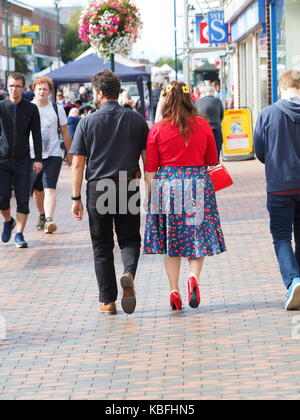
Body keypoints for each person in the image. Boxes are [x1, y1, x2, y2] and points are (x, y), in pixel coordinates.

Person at [70, 70, 149, 316]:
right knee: (129, 238)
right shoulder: (136, 120)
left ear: (100, 93)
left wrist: (76, 197)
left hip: (98, 186)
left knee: (102, 246)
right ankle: (128, 272)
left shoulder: (87, 122)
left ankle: (108, 300)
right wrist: (149, 189)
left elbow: (78, 163)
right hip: (127, 183)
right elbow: (148, 160)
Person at [144, 81, 226, 311]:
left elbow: (151, 166)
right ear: (191, 99)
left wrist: (152, 198)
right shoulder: (203, 125)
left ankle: (173, 290)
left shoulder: (157, 128)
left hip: (167, 185)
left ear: (166, 101)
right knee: (196, 235)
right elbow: (212, 159)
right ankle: (193, 277)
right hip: (197, 182)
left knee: (172, 241)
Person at [254, 69, 300, 310]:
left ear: (281, 89)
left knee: (282, 236)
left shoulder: (268, 114)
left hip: (280, 185)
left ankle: (294, 281)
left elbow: (259, 151)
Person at [0, 72, 43, 248]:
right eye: (11, 85)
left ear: (23, 88)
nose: (14, 89)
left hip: (23, 161)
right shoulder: (1, 107)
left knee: (23, 198)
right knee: (2, 198)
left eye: (17, 86)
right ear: (6, 86)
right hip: (2, 160)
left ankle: (19, 234)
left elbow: (37, 135)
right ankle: (8, 221)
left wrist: (38, 159)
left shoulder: (31, 109)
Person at [30, 77, 72, 234]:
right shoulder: (29, 107)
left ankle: (49, 220)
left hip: (53, 154)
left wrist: (70, 153)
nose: (42, 92)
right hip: (33, 155)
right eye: (39, 89)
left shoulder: (56, 108)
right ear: (34, 90)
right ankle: (42, 215)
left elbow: (65, 132)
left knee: (49, 188)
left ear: (49, 92)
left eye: (45, 89)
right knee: (38, 190)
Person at [195, 86, 224, 159]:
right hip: (215, 127)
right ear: (213, 92)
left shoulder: (198, 101)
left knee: (203, 148)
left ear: (205, 93)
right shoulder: (217, 101)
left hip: (201, 128)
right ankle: (216, 164)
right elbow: (221, 115)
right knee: (217, 148)